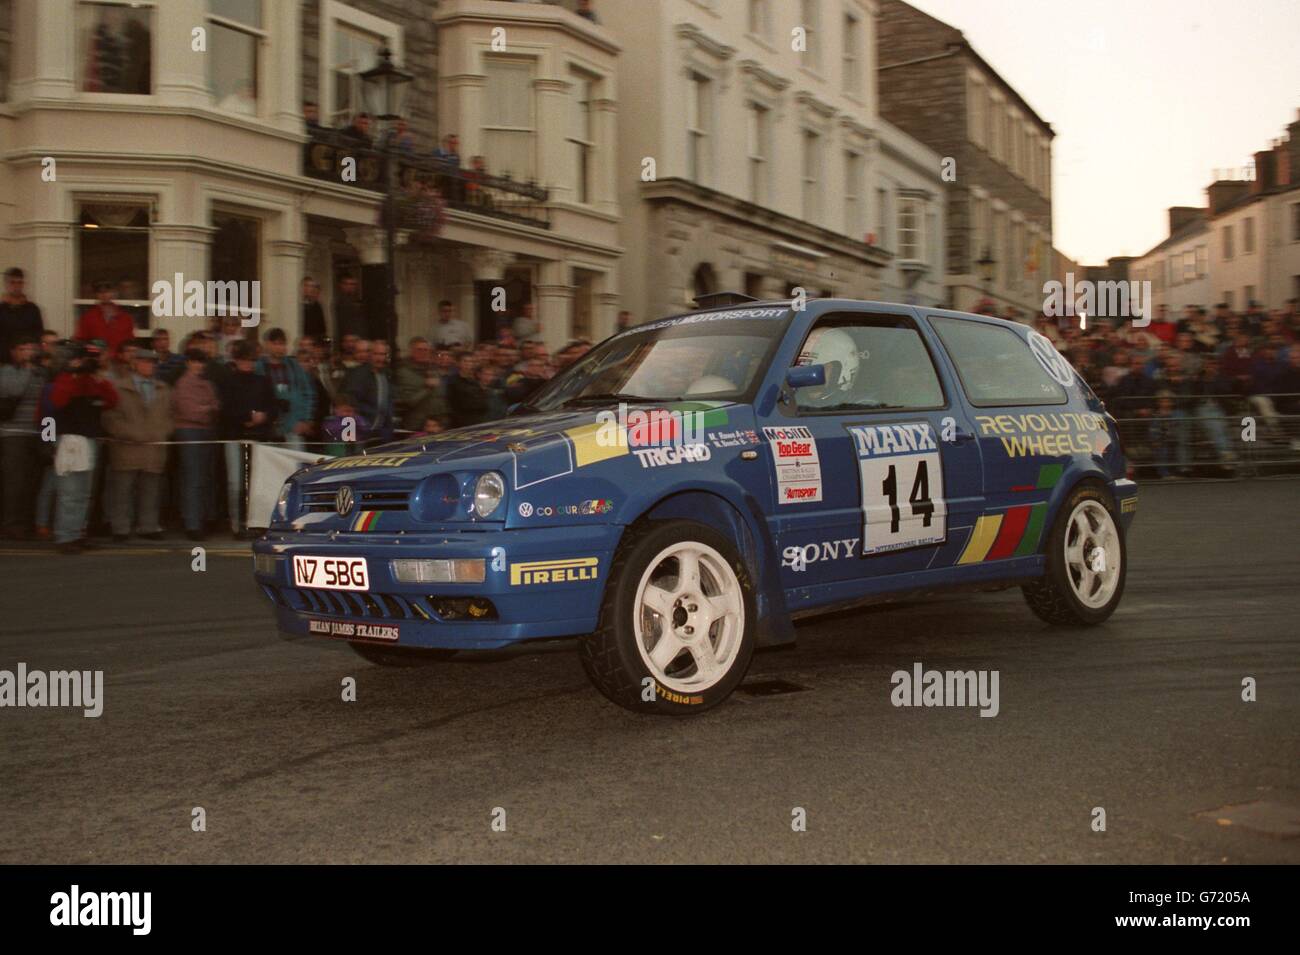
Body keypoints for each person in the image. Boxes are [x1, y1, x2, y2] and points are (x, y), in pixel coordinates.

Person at [50, 342, 118, 553]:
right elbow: (58, 400)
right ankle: (64, 536)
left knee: (84, 493)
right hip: (70, 439)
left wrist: (99, 379)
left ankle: (78, 532)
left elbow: (112, 401)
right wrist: (74, 374)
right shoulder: (65, 378)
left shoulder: (93, 381)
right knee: (70, 491)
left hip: (89, 439)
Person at [102, 343, 172, 541]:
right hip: (126, 446)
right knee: (122, 490)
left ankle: (148, 526)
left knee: (151, 491)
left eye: (153, 362)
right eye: (145, 362)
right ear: (134, 363)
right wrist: (131, 433)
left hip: (153, 447)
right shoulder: (118, 387)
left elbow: (171, 416)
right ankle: (120, 528)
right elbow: (109, 418)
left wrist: (161, 432)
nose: (150, 366)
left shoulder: (163, 389)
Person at [218, 340, 277, 538]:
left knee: (257, 484)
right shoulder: (228, 381)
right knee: (236, 484)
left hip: (258, 438)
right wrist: (248, 419)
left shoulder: (262, 381)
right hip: (234, 437)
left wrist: (263, 417)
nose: (247, 364)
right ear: (236, 360)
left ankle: (256, 523)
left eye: (250, 360)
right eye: (244, 360)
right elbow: (224, 410)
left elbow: (273, 406)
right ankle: (237, 525)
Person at [0, 335, 47, 538]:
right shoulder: (6, 372)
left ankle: (28, 522)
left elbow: (49, 406)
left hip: (37, 433)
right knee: (14, 482)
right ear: (13, 352)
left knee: (33, 481)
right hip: (14, 434)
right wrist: (28, 370)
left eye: (30, 349)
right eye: (22, 349)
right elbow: (14, 390)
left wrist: (49, 437)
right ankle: (11, 524)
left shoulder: (42, 373)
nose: (27, 353)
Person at [171, 347, 219, 541]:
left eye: (202, 361)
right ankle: (192, 523)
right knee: (193, 479)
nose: (199, 365)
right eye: (195, 361)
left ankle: (203, 519)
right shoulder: (182, 384)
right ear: (188, 363)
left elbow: (216, 406)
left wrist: (205, 409)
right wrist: (207, 408)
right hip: (189, 432)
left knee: (206, 478)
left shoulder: (207, 383)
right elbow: (190, 411)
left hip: (206, 431)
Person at [255, 327, 315, 449]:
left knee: (296, 464)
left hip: (294, 425)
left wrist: (305, 419)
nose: (279, 347)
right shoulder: (258, 367)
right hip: (268, 427)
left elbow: (308, 393)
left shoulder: (294, 365)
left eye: (282, 344)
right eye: (275, 343)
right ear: (266, 344)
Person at [344, 339, 395, 442]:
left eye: (383, 354)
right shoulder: (357, 374)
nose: (380, 358)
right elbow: (349, 402)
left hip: (382, 432)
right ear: (370, 355)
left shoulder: (387, 375)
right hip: (361, 431)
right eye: (376, 354)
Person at [395, 336, 448, 432]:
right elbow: (407, 401)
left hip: (437, 426)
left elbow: (441, 397)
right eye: (419, 350)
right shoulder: (403, 372)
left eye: (426, 350)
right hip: (417, 425)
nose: (424, 352)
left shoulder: (433, 369)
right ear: (411, 351)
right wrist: (427, 388)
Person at [75, 281, 135, 355]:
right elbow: (81, 340)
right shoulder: (88, 317)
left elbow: (130, 342)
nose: (104, 295)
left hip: (120, 361)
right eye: (100, 292)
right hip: (96, 360)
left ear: (113, 293)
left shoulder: (125, 317)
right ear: (96, 295)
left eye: (107, 292)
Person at [0, 267, 44, 360]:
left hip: (29, 361)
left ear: (23, 284)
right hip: (5, 361)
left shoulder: (33, 309)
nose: (16, 286)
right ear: (6, 284)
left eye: (19, 282)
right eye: (12, 282)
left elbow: (39, 336)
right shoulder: (1, 309)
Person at [333, 274, 366, 341]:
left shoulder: (358, 301)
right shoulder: (339, 302)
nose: (349, 286)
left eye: (352, 284)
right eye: (346, 284)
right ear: (341, 285)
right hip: (346, 339)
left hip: (359, 338)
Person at [301, 276, 326, 341]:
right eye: (306, 285)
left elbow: (322, 327)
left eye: (311, 286)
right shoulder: (298, 305)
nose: (308, 289)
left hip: (314, 340)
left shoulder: (317, 306)